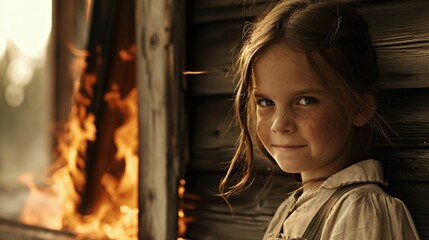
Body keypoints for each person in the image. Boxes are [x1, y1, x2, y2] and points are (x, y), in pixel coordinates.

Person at [218, 0, 420, 239]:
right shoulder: (289, 210)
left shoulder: (359, 210)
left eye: (306, 100)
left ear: (361, 106)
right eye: (265, 103)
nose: (279, 124)